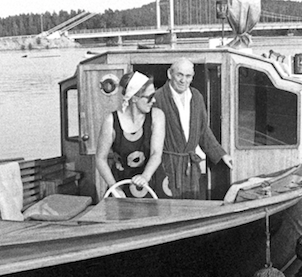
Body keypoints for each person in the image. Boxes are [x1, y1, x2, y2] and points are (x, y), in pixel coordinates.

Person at [154, 58, 233, 199]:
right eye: (179, 75)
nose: (183, 80)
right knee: (168, 206)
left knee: (191, 205)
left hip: (190, 168)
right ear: (169, 74)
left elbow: (203, 130)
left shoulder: (196, 96)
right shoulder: (157, 98)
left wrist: (221, 154)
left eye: (188, 76)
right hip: (165, 166)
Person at [95, 71, 168, 198]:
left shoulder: (157, 116)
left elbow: (156, 153)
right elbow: (100, 158)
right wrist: (114, 188)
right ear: (134, 98)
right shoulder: (111, 121)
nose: (154, 100)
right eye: (150, 97)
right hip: (120, 184)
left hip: (151, 182)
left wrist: (145, 177)